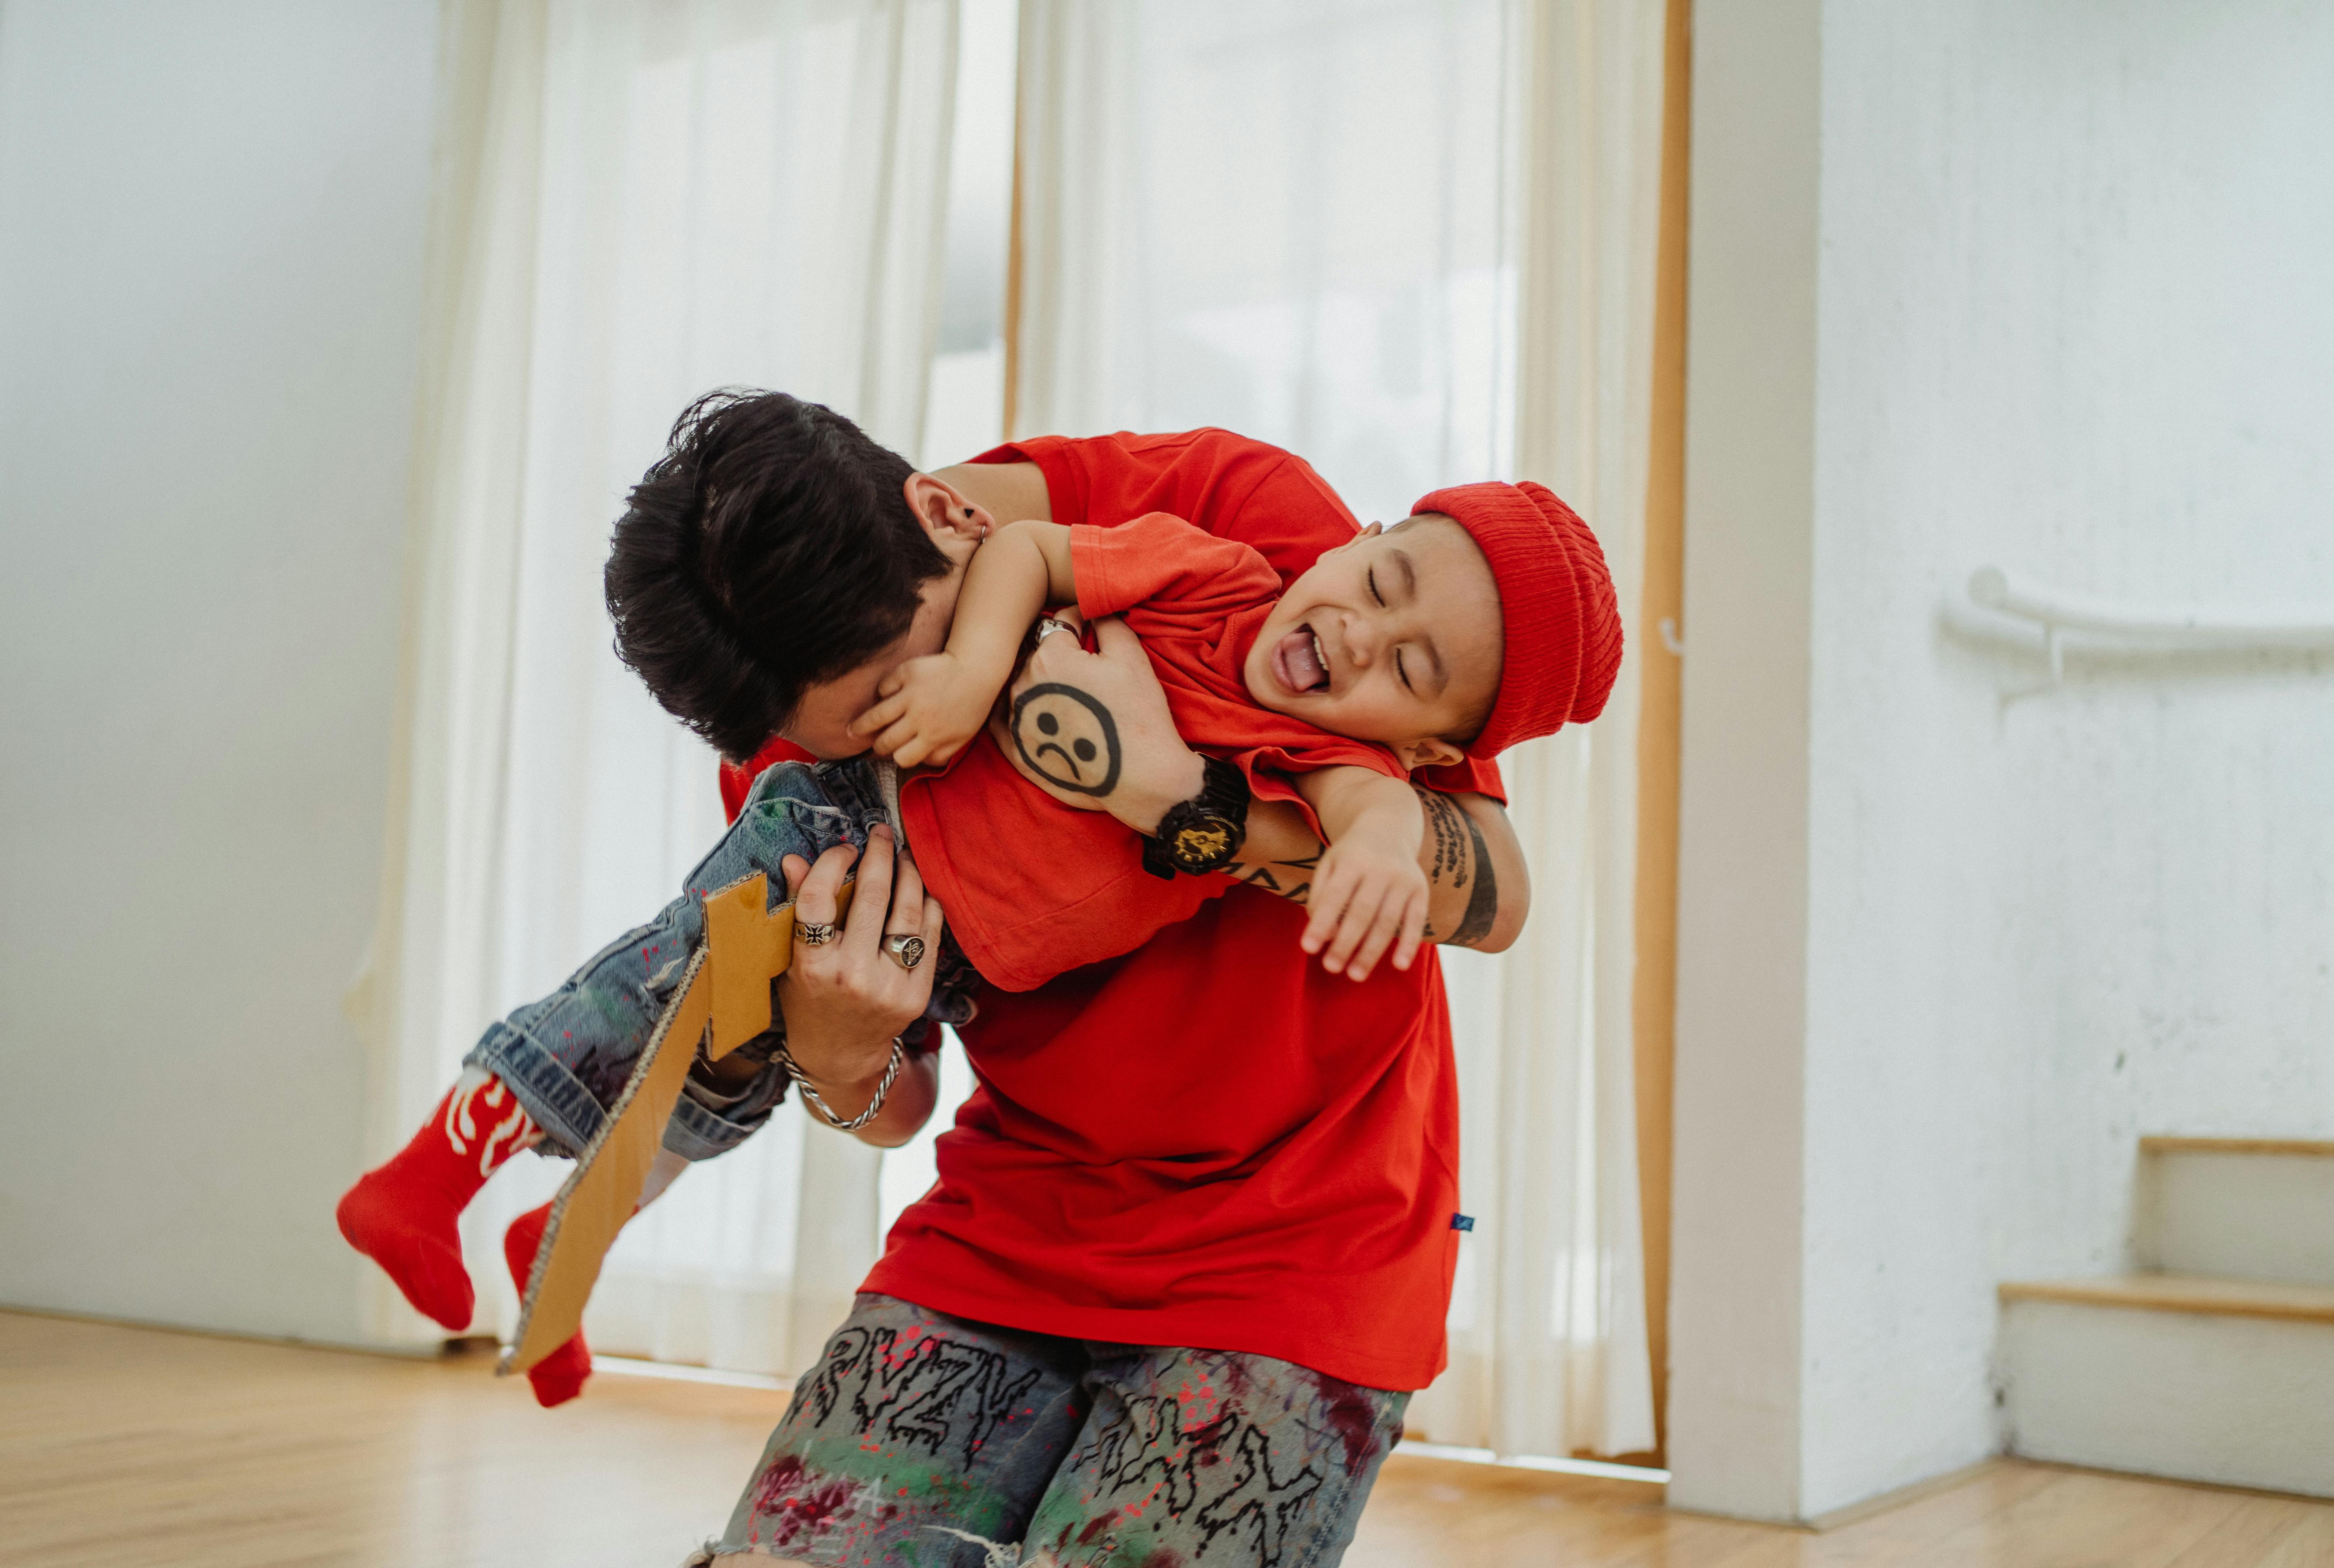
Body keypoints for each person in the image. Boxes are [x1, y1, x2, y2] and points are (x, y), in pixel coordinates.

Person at [337, 394, 1619, 1424]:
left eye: (907, 697)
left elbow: (1485, 888)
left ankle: (563, 1240)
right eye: (861, 732)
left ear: (944, 518)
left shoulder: (1263, 570)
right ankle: (546, 1223)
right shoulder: (798, 718)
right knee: (721, 997)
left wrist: (1166, 793)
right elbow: (891, 1100)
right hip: (1014, 1163)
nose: (915, 744)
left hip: (1296, 1218)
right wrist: (841, 1044)